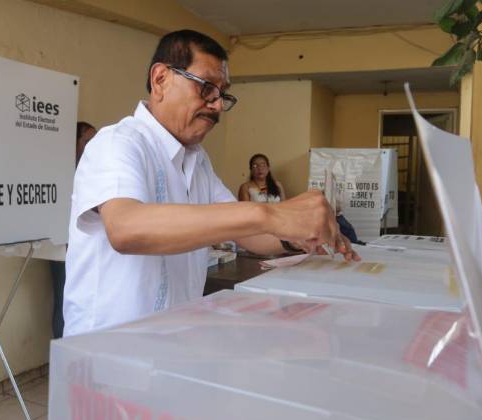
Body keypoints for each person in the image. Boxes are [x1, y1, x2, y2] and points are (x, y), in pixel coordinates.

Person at [63, 29, 358, 336]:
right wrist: (268, 213)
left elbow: (247, 233)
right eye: (206, 88)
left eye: (222, 94)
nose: (217, 105)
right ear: (161, 79)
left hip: (170, 343)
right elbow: (126, 229)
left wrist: (295, 235)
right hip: (107, 352)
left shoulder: (198, 160)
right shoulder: (118, 143)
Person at [49, 121, 98, 338]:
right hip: (63, 247)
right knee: (65, 299)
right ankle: (63, 353)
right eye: (87, 141)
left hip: (88, 248)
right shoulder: (63, 174)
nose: (93, 146)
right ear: (74, 145)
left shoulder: (96, 172)